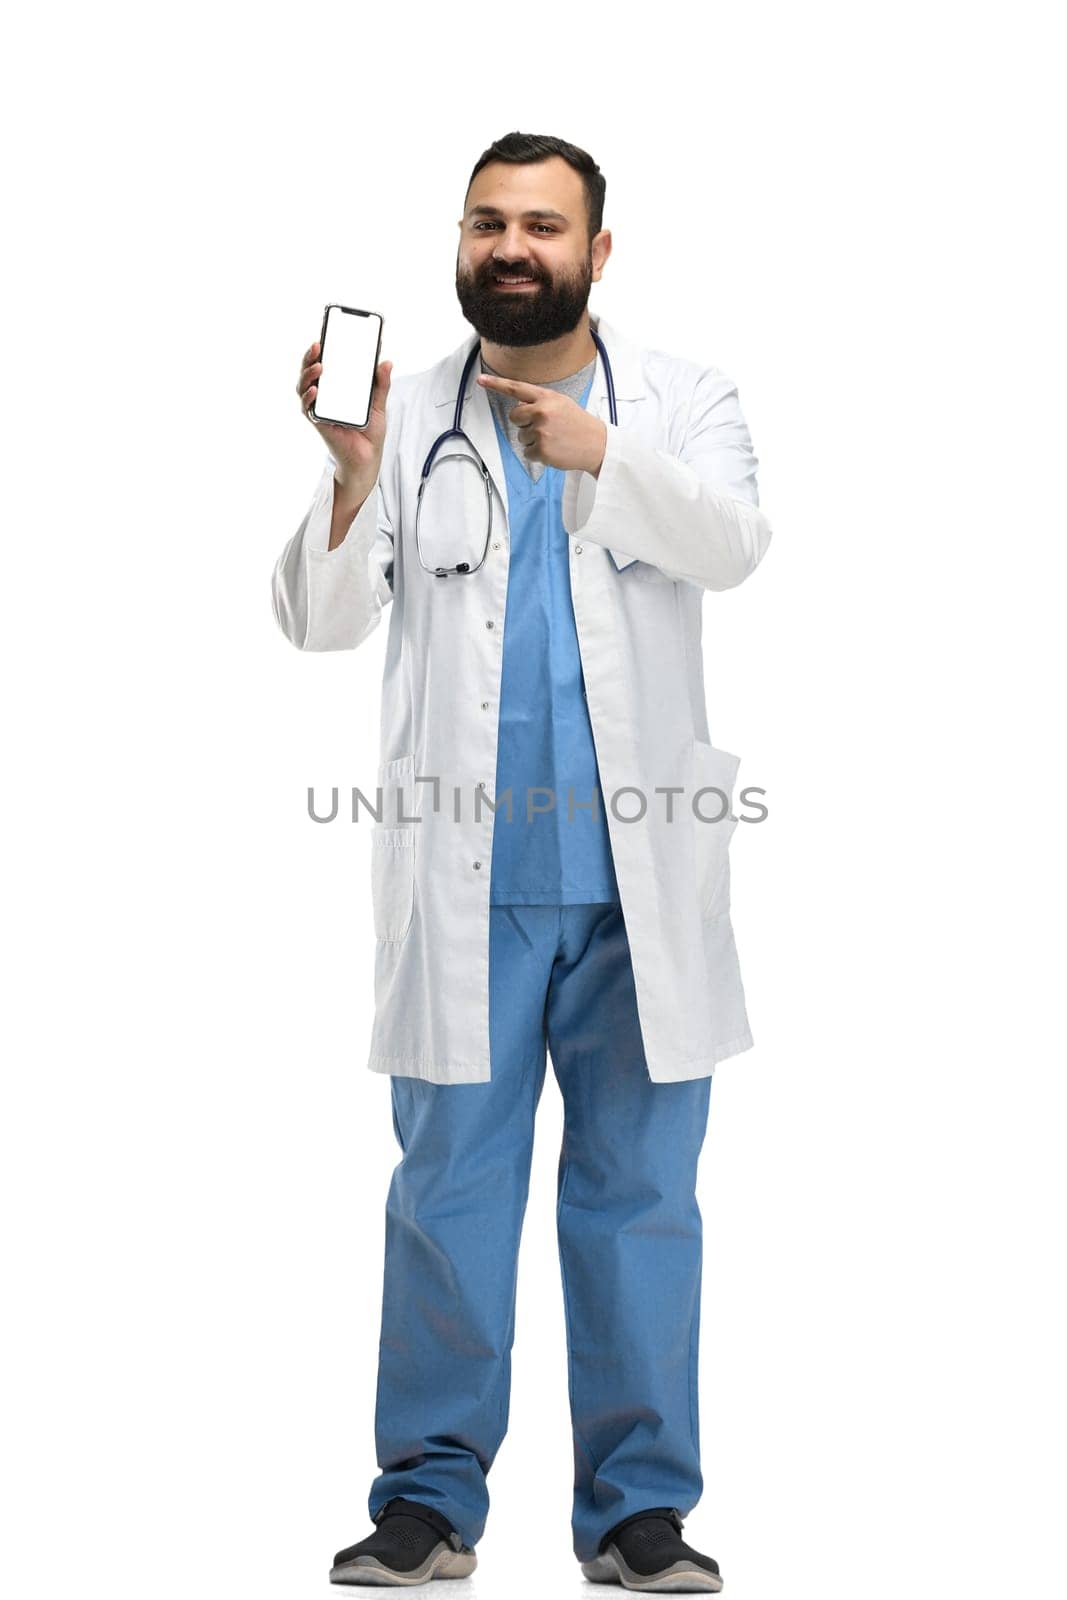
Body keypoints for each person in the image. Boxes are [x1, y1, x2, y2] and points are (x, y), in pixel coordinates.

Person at [272, 131, 773, 1591]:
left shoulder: (684, 400)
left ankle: (635, 1513)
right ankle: (428, 1498)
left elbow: (738, 544)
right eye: (489, 221)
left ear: (597, 254)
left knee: (639, 1202)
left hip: (639, 886)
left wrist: (607, 456)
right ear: (461, 239)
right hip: (464, 884)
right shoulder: (407, 411)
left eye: (544, 226)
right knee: (449, 1198)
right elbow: (315, 623)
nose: (512, 247)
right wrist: (353, 477)